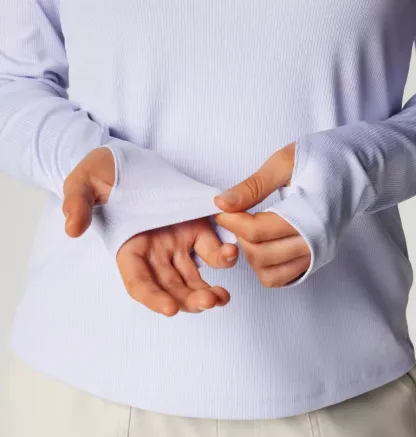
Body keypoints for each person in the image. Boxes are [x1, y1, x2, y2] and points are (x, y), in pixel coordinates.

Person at [1, 0, 416, 436]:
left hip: (349, 396)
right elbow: (12, 81)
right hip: (79, 394)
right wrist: (83, 158)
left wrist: (360, 166)